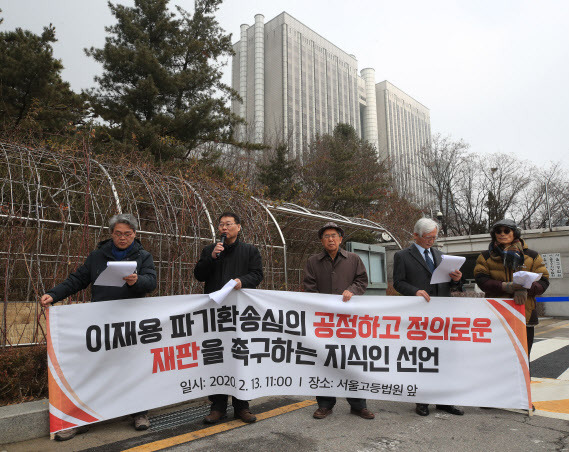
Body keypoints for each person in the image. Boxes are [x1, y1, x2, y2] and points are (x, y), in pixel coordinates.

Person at [39, 213, 157, 440]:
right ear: (111, 234)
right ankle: (82, 419)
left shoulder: (143, 256)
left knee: (132, 368)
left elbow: (151, 282)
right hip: (100, 322)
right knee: (95, 369)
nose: (122, 238)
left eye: (127, 234)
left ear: (135, 234)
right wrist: (53, 294)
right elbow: (78, 279)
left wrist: (137, 281)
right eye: (118, 234)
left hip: (130, 323)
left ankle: (139, 413)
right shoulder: (97, 256)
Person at [194, 211, 263, 424]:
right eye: (221, 224)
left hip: (241, 313)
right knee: (217, 356)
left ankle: (242, 406)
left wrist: (242, 281)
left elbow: (257, 274)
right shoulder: (210, 250)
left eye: (229, 224)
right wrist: (211, 257)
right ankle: (218, 406)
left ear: (238, 227)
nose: (224, 228)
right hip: (216, 313)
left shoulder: (250, 250)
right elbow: (199, 275)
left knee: (240, 355)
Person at [392, 217, 464, 417]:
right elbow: (398, 282)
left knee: (446, 358)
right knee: (423, 359)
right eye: (428, 237)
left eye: (434, 237)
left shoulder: (441, 256)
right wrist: (415, 291)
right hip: (419, 315)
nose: (431, 241)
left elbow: (451, 286)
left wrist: (457, 280)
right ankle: (422, 400)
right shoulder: (402, 256)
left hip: (443, 314)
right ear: (416, 235)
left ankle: (444, 400)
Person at [303, 222, 375, 420]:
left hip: (348, 320)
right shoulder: (313, 261)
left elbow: (362, 281)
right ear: (321, 240)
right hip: (323, 320)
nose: (331, 239)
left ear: (341, 239)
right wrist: (322, 303)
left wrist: (351, 291)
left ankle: (358, 405)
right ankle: (325, 404)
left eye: (334, 235)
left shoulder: (353, 259)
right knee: (324, 360)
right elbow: (309, 286)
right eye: (326, 236)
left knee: (351, 360)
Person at [474, 219, 549, 357]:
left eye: (506, 230)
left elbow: (544, 281)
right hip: (497, 315)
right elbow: (482, 281)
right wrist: (506, 286)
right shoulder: (485, 256)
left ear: (515, 233)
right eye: (498, 231)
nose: (502, 234)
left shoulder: (532, 256)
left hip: (524, 314)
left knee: (523, 358)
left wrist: (525, 288)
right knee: (498, 358)